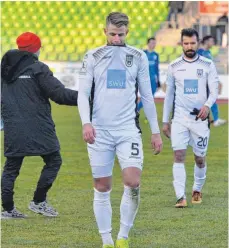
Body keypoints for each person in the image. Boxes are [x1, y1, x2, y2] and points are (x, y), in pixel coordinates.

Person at [78, 12, 163, 248]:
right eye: (113, 34)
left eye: (121, 34)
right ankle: (106, 240)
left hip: (128, 130)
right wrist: (86, 122)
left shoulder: (138, 57)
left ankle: (123, 236)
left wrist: (155, 131)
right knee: (102, 186)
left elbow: (146, 95)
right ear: (104, 31)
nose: (117, 38)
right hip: (100, 132)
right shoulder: (92, 56)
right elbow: (83, 94)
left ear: (128, 32)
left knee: (133, 181)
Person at [1, 32, 78, 219]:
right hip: (39, 126)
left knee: (11, 167)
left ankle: (8, 209)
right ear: (36, 48)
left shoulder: (4, 70)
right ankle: (38, 201)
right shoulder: (38, 68)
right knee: (53, 161)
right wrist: (85, 98)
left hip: (13, 126)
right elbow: (59, 94)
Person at [162, 28, 219, 208]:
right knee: (178, 155)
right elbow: (169, 95)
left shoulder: (207, 65)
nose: (189, 46)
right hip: (179, 119)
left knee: (199, 158)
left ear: (198, 42)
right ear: (181, 44)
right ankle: (180, 196)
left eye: (192, 43)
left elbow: (214, 90)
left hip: (200, 121)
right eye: (186, 43)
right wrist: (165, 121)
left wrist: (207, 105)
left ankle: (197, 188)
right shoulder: (174, 67)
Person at [197, 35, 226, 127]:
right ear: (206, 42)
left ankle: (216, 119)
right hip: (202, 81)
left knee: (212, 99)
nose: (213, 43)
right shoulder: (199, 52)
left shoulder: (208, 52)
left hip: (210, 80)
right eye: (211, 41)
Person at [137, 37, 160, 113]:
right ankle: (136, 109)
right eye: (152, 43)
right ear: (148, 44)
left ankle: (147, 114)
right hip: (144, 80)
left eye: (154, 43)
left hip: (153, 80)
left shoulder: (156, 55)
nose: (154, 44)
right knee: (146, 98)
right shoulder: (143, 54)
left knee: (150, 99)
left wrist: (158, 81)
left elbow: (157, 68)